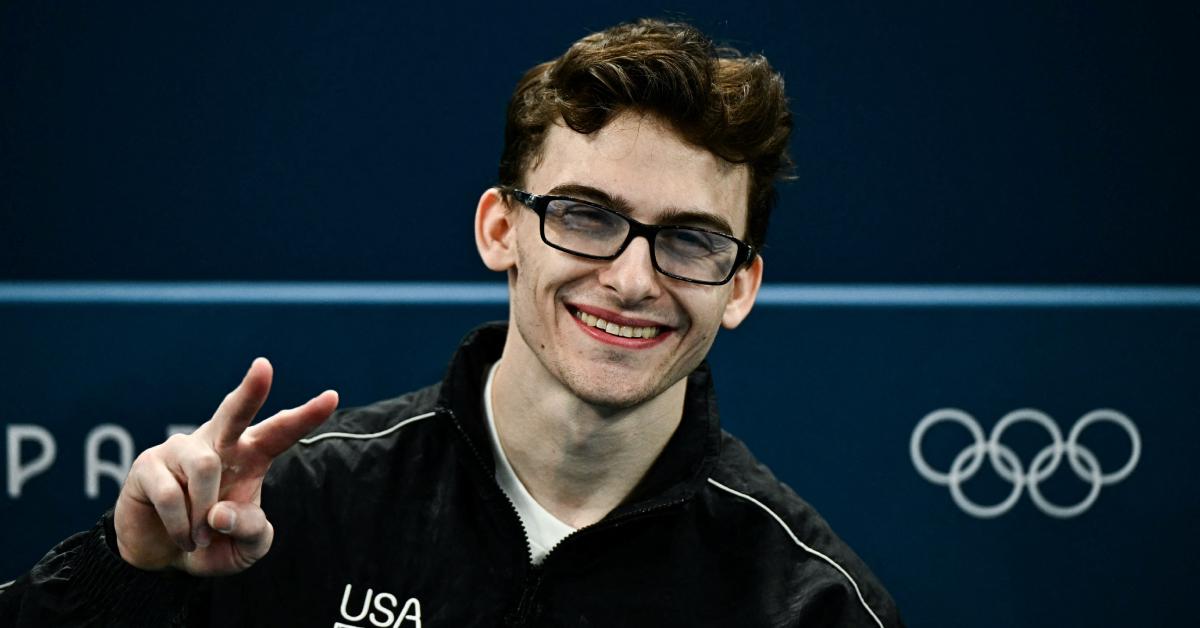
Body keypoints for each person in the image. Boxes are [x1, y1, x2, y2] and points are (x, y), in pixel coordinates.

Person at [0, 18, 902, 627]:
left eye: (692, 240)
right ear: (501, 229)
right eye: (586, 215)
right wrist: (128, 569)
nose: (632, 279)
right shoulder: (289, 512)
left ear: (740, 285)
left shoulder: (808, 603)